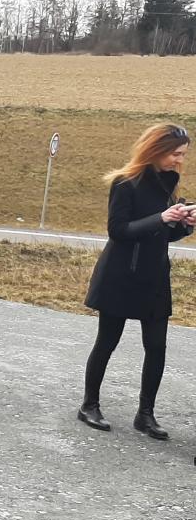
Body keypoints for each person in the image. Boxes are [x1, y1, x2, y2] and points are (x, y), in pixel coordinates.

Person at [79, 123, 194, 440]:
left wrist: (184, 224)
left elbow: (164, 235)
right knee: (107, 341)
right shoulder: (125, 183)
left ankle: (145, 415)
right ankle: (89, 405)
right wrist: (161, 217)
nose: (179, 160)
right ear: (157, 150)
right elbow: (118, 231)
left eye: (183, 155)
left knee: (157, 347)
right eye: (176, 154)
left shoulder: (169, 185)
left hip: (154, 277)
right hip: (120, 276)